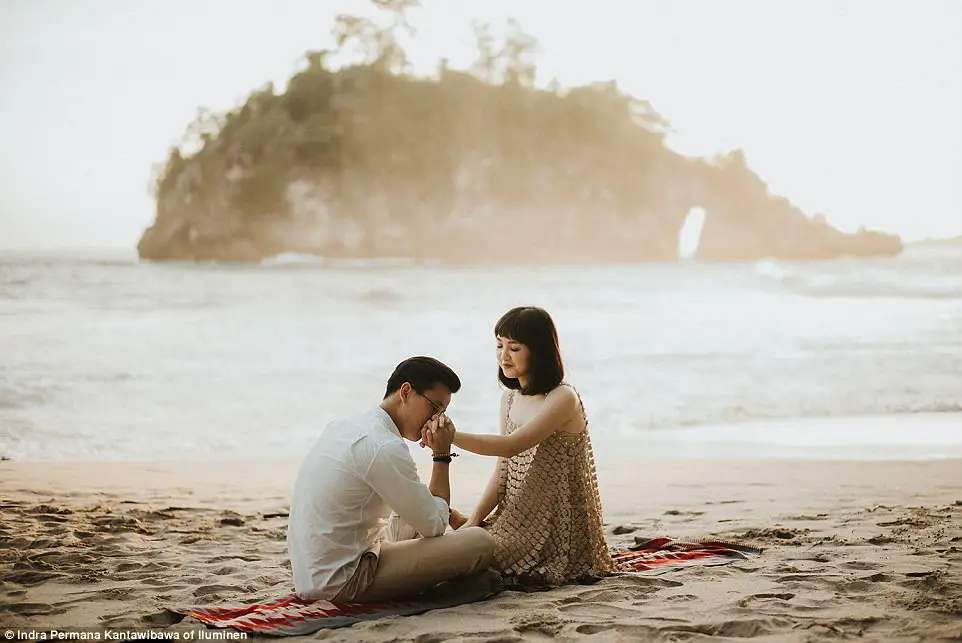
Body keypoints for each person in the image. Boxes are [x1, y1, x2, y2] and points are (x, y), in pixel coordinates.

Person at [424, 307, 615, 586]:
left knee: (465, 559)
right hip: (516, 518)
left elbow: (511, 446)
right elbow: (504, 470)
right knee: (463, 538)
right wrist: (476, 519)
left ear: (539, 351)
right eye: (499, 346)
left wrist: (449, 436)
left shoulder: (563, 397)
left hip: (555, 529)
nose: (504, 355)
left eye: (514, 348)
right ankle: (471, 523)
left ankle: (471, 531)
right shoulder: (510, 399)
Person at [287, 356, 495, 603]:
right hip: (342, 582)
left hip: (312, 574)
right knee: (480, 543)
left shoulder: (345, 425)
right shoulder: (384, 446)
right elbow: (436, 525)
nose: (436, 419)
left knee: (413, 510)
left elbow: (428, 515)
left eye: (443, 412)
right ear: (405, 392)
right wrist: (441, 454)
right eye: (435, 407)